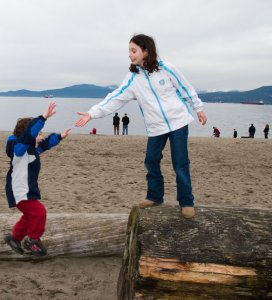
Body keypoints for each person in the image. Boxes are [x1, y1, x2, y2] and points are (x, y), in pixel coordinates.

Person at [75, 34, 207, 218]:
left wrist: (198, 108)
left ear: (146, 51)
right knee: (151, 160)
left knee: (180, 163)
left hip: (178, 121)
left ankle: (186, 202)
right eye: (129, 51)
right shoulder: (133, 78)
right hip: (155, 126)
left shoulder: (166, 68)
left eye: (133, 50)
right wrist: (92, 113)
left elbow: (186, 88)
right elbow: (116, 97)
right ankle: (155, 196)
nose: (130, 54)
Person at [4, 101, 71, 256]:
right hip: (20, 190)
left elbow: (45, 145)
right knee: (39, 212)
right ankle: (33, 240)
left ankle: (14, 238)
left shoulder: (31, 151)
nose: (40, 137)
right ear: (28, 135)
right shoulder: (19, 151)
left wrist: (59, 137)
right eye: (39, 134)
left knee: (30, 215)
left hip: (26, 189)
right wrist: (43, 118)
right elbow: (29, 135)